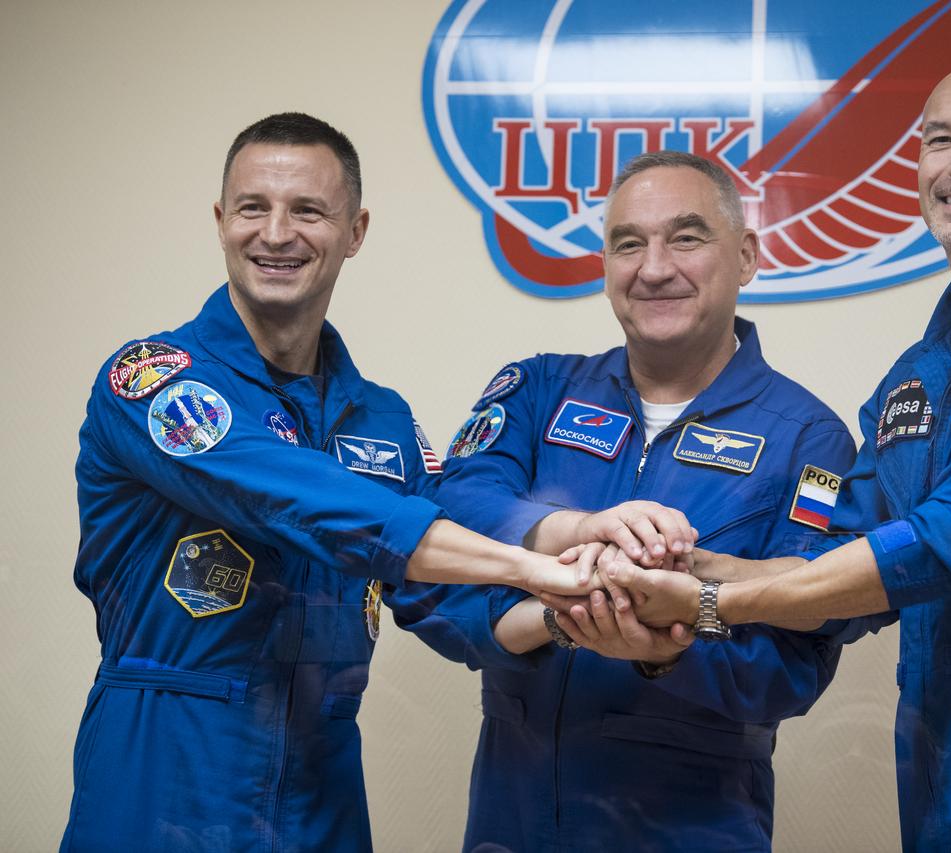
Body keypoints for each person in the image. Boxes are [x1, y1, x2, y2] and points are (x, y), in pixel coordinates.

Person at [605, 63, 951, 851]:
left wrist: (712, 603)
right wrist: (692, 566)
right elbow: (844, 556)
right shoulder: (916, 375)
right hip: (941, 746)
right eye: (940, 140)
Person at [61, 113, 587, 853]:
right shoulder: (151, 382)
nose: (276, 233)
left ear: (355, 231)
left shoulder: (383, 420)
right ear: (221, 221)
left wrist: (570, 606)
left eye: (307, 210)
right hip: (163, 776)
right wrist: (532, 563)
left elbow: (446, 598)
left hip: (321, 792)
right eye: (252, 207)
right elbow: (298, 496)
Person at [399, 151, 869, 851]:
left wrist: (665, 652)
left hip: (692, 825)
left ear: (745, 256)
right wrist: (569, 542)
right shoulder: (539, 390)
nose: (653, 268)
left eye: (686, 237)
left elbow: (797, 660)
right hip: (513, 815)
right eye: (627, 243)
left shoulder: (809, 439)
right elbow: (446, 531)